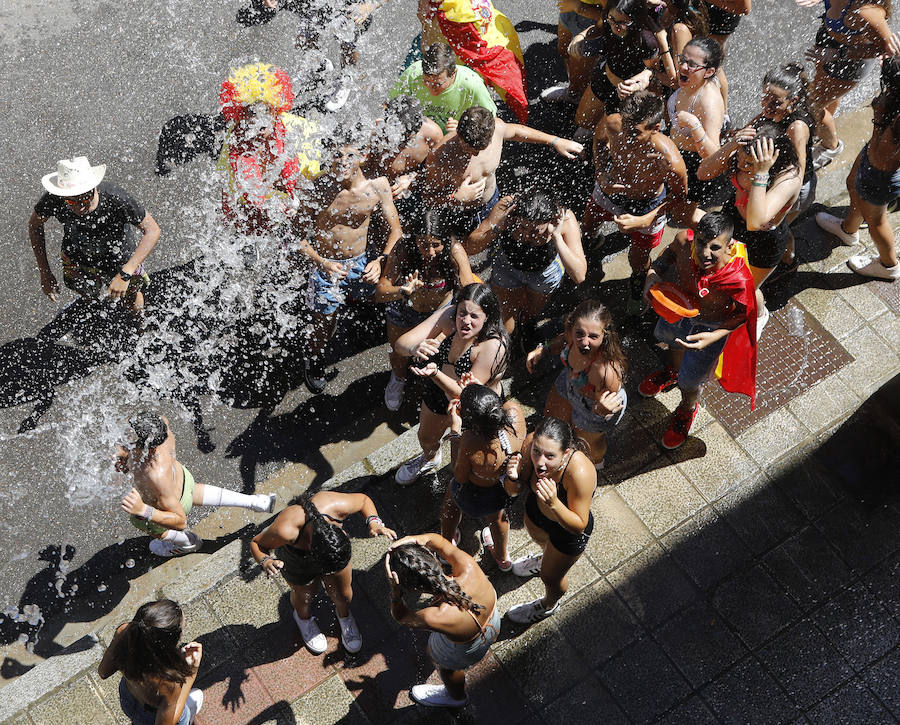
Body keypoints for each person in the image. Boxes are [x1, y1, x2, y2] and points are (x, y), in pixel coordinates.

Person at [639, 212, 757, 448]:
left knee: (691, 379)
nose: (705, 253)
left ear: (728, 246)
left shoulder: (738, 278)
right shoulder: (683, 240)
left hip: (710, 328)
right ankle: (672, 370)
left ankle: (687, 408)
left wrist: (714, 336)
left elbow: (744, 314)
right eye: (701, 242)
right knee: (670, 342)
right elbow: (667, 256)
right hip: (678, 310)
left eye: (715, 247)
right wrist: (652, 276)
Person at [297, 137, 402, 394]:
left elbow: (396, 231)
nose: (342, 162)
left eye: (348, 156)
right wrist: (323, 263)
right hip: (326, 267)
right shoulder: (317, 189)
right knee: (324, 321)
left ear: (363, 156)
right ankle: (315, 358)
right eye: (337, 156)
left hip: (363, 261)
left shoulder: (377, 187)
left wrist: (380, 261)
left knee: (376, 295)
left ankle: (362, 311)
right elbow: (297, 239)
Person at [583, 90, 690, 314]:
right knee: (588, 225)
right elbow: (599, 140)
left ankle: (636, 285)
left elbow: (679, 197)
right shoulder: (614, 123)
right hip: (611, 189)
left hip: (648, 205)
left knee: (638, 260)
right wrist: (601, 172)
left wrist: (645, 218)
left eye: (635, 133)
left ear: (656, 129)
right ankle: (590, 248)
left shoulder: (670, 160)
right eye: (625, 127)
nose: (626, 137)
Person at [250, 491, 396, 654]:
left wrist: (374, 522)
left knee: (342, 594)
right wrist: (266, 561)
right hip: (297, 560)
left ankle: (345, 616)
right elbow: (256, 543)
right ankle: (303, 619)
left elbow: (363, 500)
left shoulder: (336, 506)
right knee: (305, 596)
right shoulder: (286, 529)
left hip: (335, 556)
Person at [393, 283, 510, 485]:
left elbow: (464, 395)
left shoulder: (493, 345)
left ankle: (475, 481)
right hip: (438, 390)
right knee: (426, 437)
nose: (465, 321)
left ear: (488, 317)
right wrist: (414, 348)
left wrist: (435, 373)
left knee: (470, 455)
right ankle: (430, 458)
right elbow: (400, 344)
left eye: (474, 316)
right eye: (462, 313)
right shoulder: (449, 316)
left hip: (477, 406)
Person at [116, 411, 276, 557]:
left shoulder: (153, 475)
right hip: (184, 480)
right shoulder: (161, 426)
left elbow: (180, 521)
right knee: (193, 491)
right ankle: (256, 502)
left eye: (130, 435)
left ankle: (187, 543)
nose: (125, 436)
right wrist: (126, 458)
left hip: (169, 504)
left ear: (145, 448)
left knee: (148, 525)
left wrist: (144, 510)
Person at [697, 122, 802, 335]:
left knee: (745, 288)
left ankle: (761, 313)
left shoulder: (788, 178)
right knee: (718, 273)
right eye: (742, 161)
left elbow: (756, 222)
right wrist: (730, 146)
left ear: (772, 160)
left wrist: (761, 173)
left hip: (763, 240)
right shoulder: (742, 156)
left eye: (749, 164)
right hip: (732, 220)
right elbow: (703, 173)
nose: (743, 167)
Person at [422, 105, 583, 237]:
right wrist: (456, 198)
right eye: (468, 148)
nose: (476, 154)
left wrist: (554, 141)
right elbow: (427, 197)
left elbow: (517, 131)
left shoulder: (497, 128)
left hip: (493, 200)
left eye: (480, 148)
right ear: (458, 134)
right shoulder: (440, 157)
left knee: (496, 240)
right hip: (461, 212)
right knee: (464, 247)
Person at [29, 156, 161, 316]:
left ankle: (139, 326)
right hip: (77, 258)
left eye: (86, 198)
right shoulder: (55, 199)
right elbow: (35, 225)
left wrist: (126, 273)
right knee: (85, 292)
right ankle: (92, 305)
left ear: (94, 188)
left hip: (121, 260)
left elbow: (152, 230)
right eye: (72, 202)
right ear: (63, 196)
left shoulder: (116, 198)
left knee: (131, 300)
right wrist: (45, 272)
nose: (81, 206)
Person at [377, 210, 476, 411]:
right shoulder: (403, 248)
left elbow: (470, 293)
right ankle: (399, 378)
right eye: (423, 244)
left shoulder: (454, 251)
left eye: (436, 245)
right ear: (414, 239)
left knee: (437, 353)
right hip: (405, 308)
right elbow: (380, 291)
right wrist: (401, 292)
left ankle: (436, 384)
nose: (430, 252)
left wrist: (448, 329)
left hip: (439, 312)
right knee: (399, 351)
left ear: (445, 241)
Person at [386, 535, 500, 708]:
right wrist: (416, 539)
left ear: (411, 588)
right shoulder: (468, 566)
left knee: (447, 668)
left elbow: (401, 617)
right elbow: (440, 542)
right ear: (432, 557)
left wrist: (395, 593)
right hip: (494, 621)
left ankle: (456, 697)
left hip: (467, 649)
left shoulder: (435, 616)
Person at [504, 417, 597, 624]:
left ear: (565, 454)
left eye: (550, 456)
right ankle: (545, 558)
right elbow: (513, 492)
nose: (540, 462)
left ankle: (548, 605)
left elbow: (579, 525)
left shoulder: (580, 472)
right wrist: (512, 478)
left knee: (550, 577)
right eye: (537, 452)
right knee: (545, 551)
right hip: (537, 515)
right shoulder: (530, 445)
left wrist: (554, 503)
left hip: (566, 531)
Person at [815, 56, 900, 280]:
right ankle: (848, 230)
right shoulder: (895, 98)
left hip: (881, 174)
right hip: (872, 160)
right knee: (852, 184)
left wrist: (880, 113)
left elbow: (885, 148)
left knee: (876, 221)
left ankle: (888, 266)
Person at [217, 63, 323, 238]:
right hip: (256, 209)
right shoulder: (236, 138)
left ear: (274, 111)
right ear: (242, 115)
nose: (260, 121)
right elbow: (230, 190)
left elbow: (311, 184)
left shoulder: (299, 131)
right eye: (252, 113)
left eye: (265, 111)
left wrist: (295, 204)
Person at [466, 190, 587, 340]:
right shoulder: (507, 207)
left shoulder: (564, 219)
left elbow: (579, 275)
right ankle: (507, 344)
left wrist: (556, 236)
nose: (527, 235)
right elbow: (470, 248)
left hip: (545, 272)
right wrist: (498, 227)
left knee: (530, 313)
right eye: (523, 228)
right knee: (505, 317)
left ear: (551, 221)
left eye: (536, 231)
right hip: (507, 267)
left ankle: (525, 329)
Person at [525, 299, 626, 468]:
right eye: (580, 333)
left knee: (586, 447)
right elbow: (562, 341)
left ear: (604, 336)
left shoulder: (606, 371)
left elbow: (603, 408)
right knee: (552, 425)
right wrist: (544, 350)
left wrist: (602, 410)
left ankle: (596, 465)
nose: (584, 342)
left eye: (593, 336)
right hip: (568, 384)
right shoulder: (571, 337)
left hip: (593, 407)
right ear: (572, 328)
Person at [236, 0, 385, 112]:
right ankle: (318, 65)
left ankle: (347, 77)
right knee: (304, 32)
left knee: (349, 26)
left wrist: (368, 6)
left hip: (352, 8)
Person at [803, 0, 897, 169]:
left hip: (848, 62)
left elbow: (887, 50)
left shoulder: (865, 13)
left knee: (811, 106)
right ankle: (818, 128)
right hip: (830, 45)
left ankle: (830, 147)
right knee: (822, 97)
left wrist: (840, 53)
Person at [441, 384, 526, 570]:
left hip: (474, 493)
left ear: (473, 424)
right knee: (497, 519)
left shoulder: (471, 441)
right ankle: (502, 558)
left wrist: (455, 430)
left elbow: (460, 476)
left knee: (451, 501)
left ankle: (445, 548)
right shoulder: (514, 413)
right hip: (501, 490)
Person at [417, 0, 528, 122]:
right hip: (464, 16)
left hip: (462, 19)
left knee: (466, 70)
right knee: (474, 66)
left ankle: (476, 120)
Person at [755, 63, 817, 279]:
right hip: (780, 181)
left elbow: (798, 171)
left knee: (780, 228)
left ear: (793, 101)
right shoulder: (773, 113)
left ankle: (789, 261)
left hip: (796, 189)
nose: (767, 105)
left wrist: (784, 204)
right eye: (765, 97)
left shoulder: (796, 127)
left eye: (776, 102)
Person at [97, 599, 203, 725]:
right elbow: (170, 720)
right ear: (170, 643)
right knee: (197, 697)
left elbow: (103, 672)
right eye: (182, 629)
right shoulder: (168, 681)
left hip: (128, 700)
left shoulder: (125, 632)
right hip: (152, 717)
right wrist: (191, 672)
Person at [571, 0, 660, 140]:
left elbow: (653, 70)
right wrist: (581, 36)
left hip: (628, 93)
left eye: (622, 23)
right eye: (612, 20)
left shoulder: (646, 41)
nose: (615, 26)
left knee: (609, 136)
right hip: (606, 75)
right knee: (581, 121)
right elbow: (598, 28)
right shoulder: (609, 20)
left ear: (635, 20)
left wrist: (641, 80)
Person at [665, 38, 728, 210]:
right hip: (674, 153)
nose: (684, 67)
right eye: (683, 60)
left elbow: (714, 156)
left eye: (692, 65)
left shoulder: (709, 101)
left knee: (681, 214)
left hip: (693, 167)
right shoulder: (690, 80)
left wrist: (694, 125)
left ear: (708, 72)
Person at [389, 44, 497, 133]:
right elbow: (389, 106)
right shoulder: (413, 74)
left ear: (453, 73)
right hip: (421, 136)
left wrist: (464, 129)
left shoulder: (472, 84)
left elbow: (490, 121)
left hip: (454, 139)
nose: (431, 89)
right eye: (426, 81)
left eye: (438, 84)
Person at [541, 0, 607, 103]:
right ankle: (574, 85)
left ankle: (574, 94)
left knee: (580, 77)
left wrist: (579, 7)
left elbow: (610, 17)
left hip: (591, 24)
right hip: (568, 11)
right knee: (564, 51)